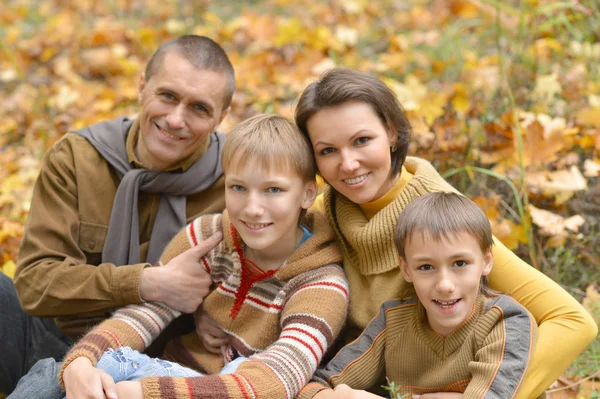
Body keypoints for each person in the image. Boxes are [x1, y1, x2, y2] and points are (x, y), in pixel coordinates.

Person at [289, 67, 597, 399]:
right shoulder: (323, 210)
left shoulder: (439, 220)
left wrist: (475, 395)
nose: (348, 164)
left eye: (362, 140)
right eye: (328, 151)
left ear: (391, 132)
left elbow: (571, 322)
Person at [0, 34, 234, 395]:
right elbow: (33, 283)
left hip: (148, 367)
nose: (175, 119)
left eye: (199, 108)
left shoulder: (237, 182)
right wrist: (146, 283)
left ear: (221, 116)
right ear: (142, 87)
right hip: (55, 333)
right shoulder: (78, 158)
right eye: (167, 96)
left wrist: (211, 312)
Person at [57, 114, 349, 399]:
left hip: (235, 389)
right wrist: (83, 359)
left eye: (273, 190)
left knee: (240, 367)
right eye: (238, 188)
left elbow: (277, 381)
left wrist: (144, 393)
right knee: (84, 371)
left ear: (308, 194)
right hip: (167, 372)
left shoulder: (322, 284)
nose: (252, 208)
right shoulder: (209, 239)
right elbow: (147, 312)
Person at [300, 192, 539, 399]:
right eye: (426, 267)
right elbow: (318, 385)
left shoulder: (505, 320)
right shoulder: (393, 322)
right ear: (406, 269)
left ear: (486, 262)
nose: (445, 285)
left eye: (460, 263)